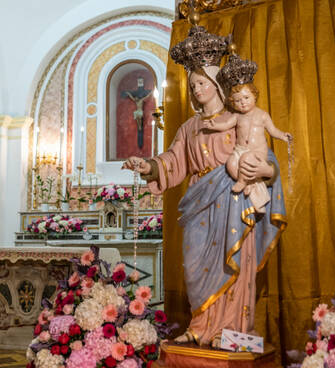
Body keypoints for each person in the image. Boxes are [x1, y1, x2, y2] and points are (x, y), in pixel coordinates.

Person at [122, 25, 286, 348]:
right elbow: (173, 161)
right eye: (192, 84)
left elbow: (264, 156)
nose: (196, 90)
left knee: (234, 265)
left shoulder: (238, 116)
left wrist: (265, 168)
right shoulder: (189, 127)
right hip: (199, 202)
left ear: (215, 84)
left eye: (201, 83)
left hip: (235, 201)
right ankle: (200, 326)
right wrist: (149, 165)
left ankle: (231, 331)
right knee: (195, 266)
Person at [204, 55, 292, 213]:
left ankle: (243, 182)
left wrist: (283, 136)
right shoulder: (237, 116)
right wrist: (214, 125)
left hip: (257, 151)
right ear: (232, 102)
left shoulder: (262, 115)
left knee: (246, 160)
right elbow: (225, 125)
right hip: (240, 150)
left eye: (246, 98)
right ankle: (248, 183)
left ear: (254, 96)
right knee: (231, 163)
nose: (242, 102)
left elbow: (272, 131)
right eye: (237, 101)